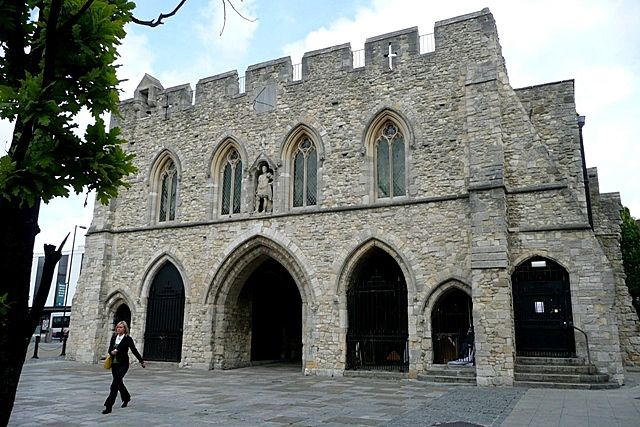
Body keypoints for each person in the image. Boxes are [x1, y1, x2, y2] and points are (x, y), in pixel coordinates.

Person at [102, 321, 145, 414]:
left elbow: (134, 350)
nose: (118, 329)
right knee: (119, 383)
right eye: (117, 327)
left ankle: (108, 405)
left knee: (114, 384)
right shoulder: (114, 338)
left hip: (123, 364)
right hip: (114, 364)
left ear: (125, 329)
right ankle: (126, 397)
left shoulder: (127, 339)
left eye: (121, 327)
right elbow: (110, 349)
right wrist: (111, 352)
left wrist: (141, 361)